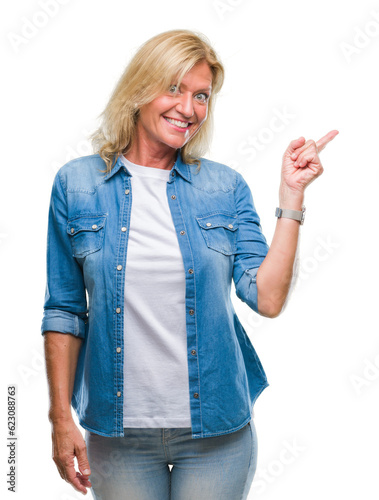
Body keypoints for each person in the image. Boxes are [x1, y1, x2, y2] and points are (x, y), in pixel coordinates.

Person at [41, 29, 338, 500]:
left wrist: (291, 198)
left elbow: (268, 297)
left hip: (217, 432)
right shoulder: (77, 184)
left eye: (201, 96)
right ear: (139, 89)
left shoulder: (223, 187)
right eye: (174, 88)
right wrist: (60, 420)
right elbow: (63, 311)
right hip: (118, 436)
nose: (189, 108)